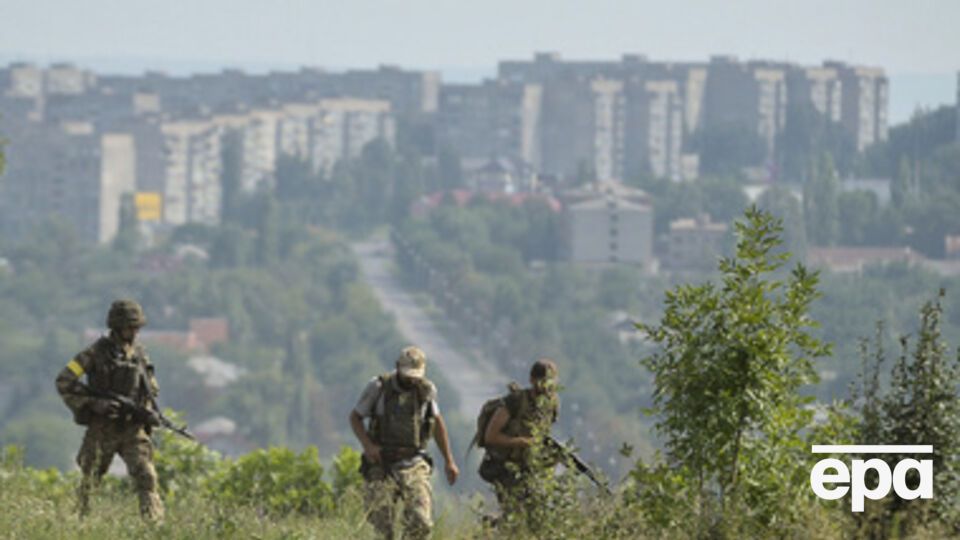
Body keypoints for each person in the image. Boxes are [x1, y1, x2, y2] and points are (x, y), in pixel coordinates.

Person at [54, 299, 164, 522]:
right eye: (129, 327)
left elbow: (151, 389)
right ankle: (79, 524)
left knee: (147, 477)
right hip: (103, 429)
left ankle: (154, 526)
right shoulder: (93, 353)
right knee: (91, 482)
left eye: (137, 328)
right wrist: (93, 403)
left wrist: (148, 412)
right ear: (116, 326)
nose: (134, 332)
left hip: (132, 428)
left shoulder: (139, 354)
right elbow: (64, 380)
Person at [349, 346, 459, 539]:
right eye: (408, 374)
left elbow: (437, 424)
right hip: (382, 463)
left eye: (415, 375)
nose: (411, 380)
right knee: (383, 525)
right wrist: (368, 446)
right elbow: (355, 417)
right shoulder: (379, 387)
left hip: (414, 463)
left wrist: (449, 461)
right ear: (398, 367)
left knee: (421, 521)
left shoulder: (426, 390)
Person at [479, 358, 560, 522]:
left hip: (528, 468)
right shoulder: (515, 401)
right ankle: (492, 525)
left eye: (550, 382)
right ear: (532, 380)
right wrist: (519, 442)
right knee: (515, 517)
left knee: (535, 517)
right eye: (542, 381)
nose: (546, 386)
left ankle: (492, 524)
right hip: (504, 466)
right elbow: (491, 436)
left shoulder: (551, 405)